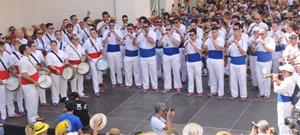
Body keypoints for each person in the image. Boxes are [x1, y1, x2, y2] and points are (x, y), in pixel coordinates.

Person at [19, 44, 45, 123]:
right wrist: (33, 81)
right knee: (30, 101)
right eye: (28, 48)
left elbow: (35, 67)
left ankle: (35, 115)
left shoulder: (28, 58)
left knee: (34, 100)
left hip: (33, 84)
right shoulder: (23, 61)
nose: (30, 48)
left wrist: (44, 68)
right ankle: (31, 120)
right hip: (28, 85)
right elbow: (24, 74)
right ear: (24, 50)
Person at [133, 20, 158, 92]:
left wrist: (146, 35)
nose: (144, 28)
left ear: (149, 26)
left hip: (151, 56)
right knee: (144, 72)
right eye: (143, 27)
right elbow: (134, 43)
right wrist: (137, 35)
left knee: (153, 72)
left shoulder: (153, 33)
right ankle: (145, 86)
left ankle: (155, 86)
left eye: (145, 27)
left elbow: (153, 41)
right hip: (142, 56)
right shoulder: (140, 34)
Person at [158, 24, 182, 94]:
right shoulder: (163, 35)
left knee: (176, 71)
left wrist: (170, 36)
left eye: (169, 29)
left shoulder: (176, 35)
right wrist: (163, 36)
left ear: (172, 29)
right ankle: (167, 87)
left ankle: (178, 87)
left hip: (175, 55)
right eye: (166, 29)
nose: (167, 31)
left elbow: (177, 44)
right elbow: (159, 44)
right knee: (166, 71)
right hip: (166, 55)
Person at [226, 23, 248, 101]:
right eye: (234, 36)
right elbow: (227, 53)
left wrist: (238, 45)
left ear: (240, 35)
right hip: (233, 63)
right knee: (233, 79)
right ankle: (234, 94)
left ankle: (243, 95)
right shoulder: (232, 44)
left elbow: (244, 53)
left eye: (236, 36)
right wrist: (228, 45)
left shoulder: (243, 42)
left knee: (242, 79)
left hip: (241, 62)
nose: (235, 37)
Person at [273, 64, 296, 135]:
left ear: (287, 72)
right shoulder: (291, 78)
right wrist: (278, 79)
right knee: (287, 121)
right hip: (287, 103)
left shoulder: (288, 81)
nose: (282, 72)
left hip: (284, 104)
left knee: (282, 122)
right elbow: (283, 83)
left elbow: (276, 89)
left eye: (283, 71)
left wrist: (275, 79)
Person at [203, 26, 225, 98]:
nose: (213, 33)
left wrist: (212, 41)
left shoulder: (221, 39)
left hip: (218, 60)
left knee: (219, 76)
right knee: (212, 76)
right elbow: (204, 47)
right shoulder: (209, 39)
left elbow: (218, 49)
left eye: (214, 32)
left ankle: (220, 93)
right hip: (210, 59)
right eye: (212, 32)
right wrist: (204, 40)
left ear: (218, 32)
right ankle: (213, 90)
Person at [46, 40, 69, 106]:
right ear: (50, 46)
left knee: (64, 85)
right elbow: (49, 65)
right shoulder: (49, 55)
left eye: (54, 45)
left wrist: (66, 62)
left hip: (63, 70)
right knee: (55, 87)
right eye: (52, 45)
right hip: (55, 72)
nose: (53, 46)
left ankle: (64, 97)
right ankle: (55, 101)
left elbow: (66, 58)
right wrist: (55, 69)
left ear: (57, 45)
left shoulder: (61, 52)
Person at [255, 28, 275, 99]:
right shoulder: (258, 39)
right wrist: (254, 45)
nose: (260, 35)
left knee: (266, 77)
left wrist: (263, 43)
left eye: (262, 34)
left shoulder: (271, 40)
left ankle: (267, 93)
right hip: (258, 60)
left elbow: (271, 50)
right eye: (259, 34)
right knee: (259, 77)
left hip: (266, 61)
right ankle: (262, 92)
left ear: (267, 33)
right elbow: (255, 49)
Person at [83, 28, 104, 96]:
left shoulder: (99, 40)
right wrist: (87, 56)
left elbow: (101, 48)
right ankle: (96, 90)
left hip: (99, 58)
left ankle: (99, 86)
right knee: (94, 75)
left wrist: (102, 51)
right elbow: (83, 51)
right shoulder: (87, 41)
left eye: (94, 33)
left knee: (99, 73)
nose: (93, 34)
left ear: (96, 33)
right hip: (92, 59)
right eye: (91, 33)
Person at [102, 20, 123, 87]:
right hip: (110, 51)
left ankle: (120, 81)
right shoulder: (105, 32)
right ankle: (113, 82)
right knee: (111, 67)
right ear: (108, 26)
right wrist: (108, 35)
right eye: (110, 25)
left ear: (114, 25)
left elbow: (120, 40)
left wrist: (114, 33)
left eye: (112, 25)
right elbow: (104, 42)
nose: (111, 27)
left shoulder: (118, 31)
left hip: (117, 50)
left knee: (118, 67)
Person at [28, 41, 49, 106]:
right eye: (33, 46)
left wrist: (46, 69)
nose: (35, 47)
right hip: (32, 70)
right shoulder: (28, 54)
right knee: (34, 86)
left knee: (42, 84)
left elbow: (43, 61)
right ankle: (35, 101)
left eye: (35, 46)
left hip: (41, 69)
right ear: (29, 47)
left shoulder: (39, 52)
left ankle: (43, 101)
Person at [184, 29, 203, 97]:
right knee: (190, 76)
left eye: (192, 35)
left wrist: (192, 44)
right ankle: (190, 90)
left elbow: (200, 52)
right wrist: (185, 47)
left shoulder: (199, 41)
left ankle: (199, 91)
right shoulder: (187, 41)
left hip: (197, 61)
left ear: (196, 35)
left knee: (198, 77)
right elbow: (184, 52)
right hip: (189, 61)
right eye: (190, 35)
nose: (191, 37)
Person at [122, 23, 142, 89]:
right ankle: (128, 83)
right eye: (128, 29)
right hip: (127, 55)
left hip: (135, 55)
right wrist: (123, 38)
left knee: (137, 70)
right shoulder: (125, 35)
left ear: (133, 29)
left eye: (130, 29)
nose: (129, 30)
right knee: (128, 71)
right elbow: (121, 43)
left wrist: (131, 36)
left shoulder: (136, 35)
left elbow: (135, 44)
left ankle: (138, 83)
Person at [8, 40, 25, 116]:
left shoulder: (22, 54)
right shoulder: (11, 55)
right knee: (17, 93)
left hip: (23, 73)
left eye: (19, 45)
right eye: (16, 45)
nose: (18, 46)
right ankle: (17, 109)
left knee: (21, 94)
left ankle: (22, 109)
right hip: (16, 74)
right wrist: (14, 74)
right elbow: (11, 66)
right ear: (13, 46)